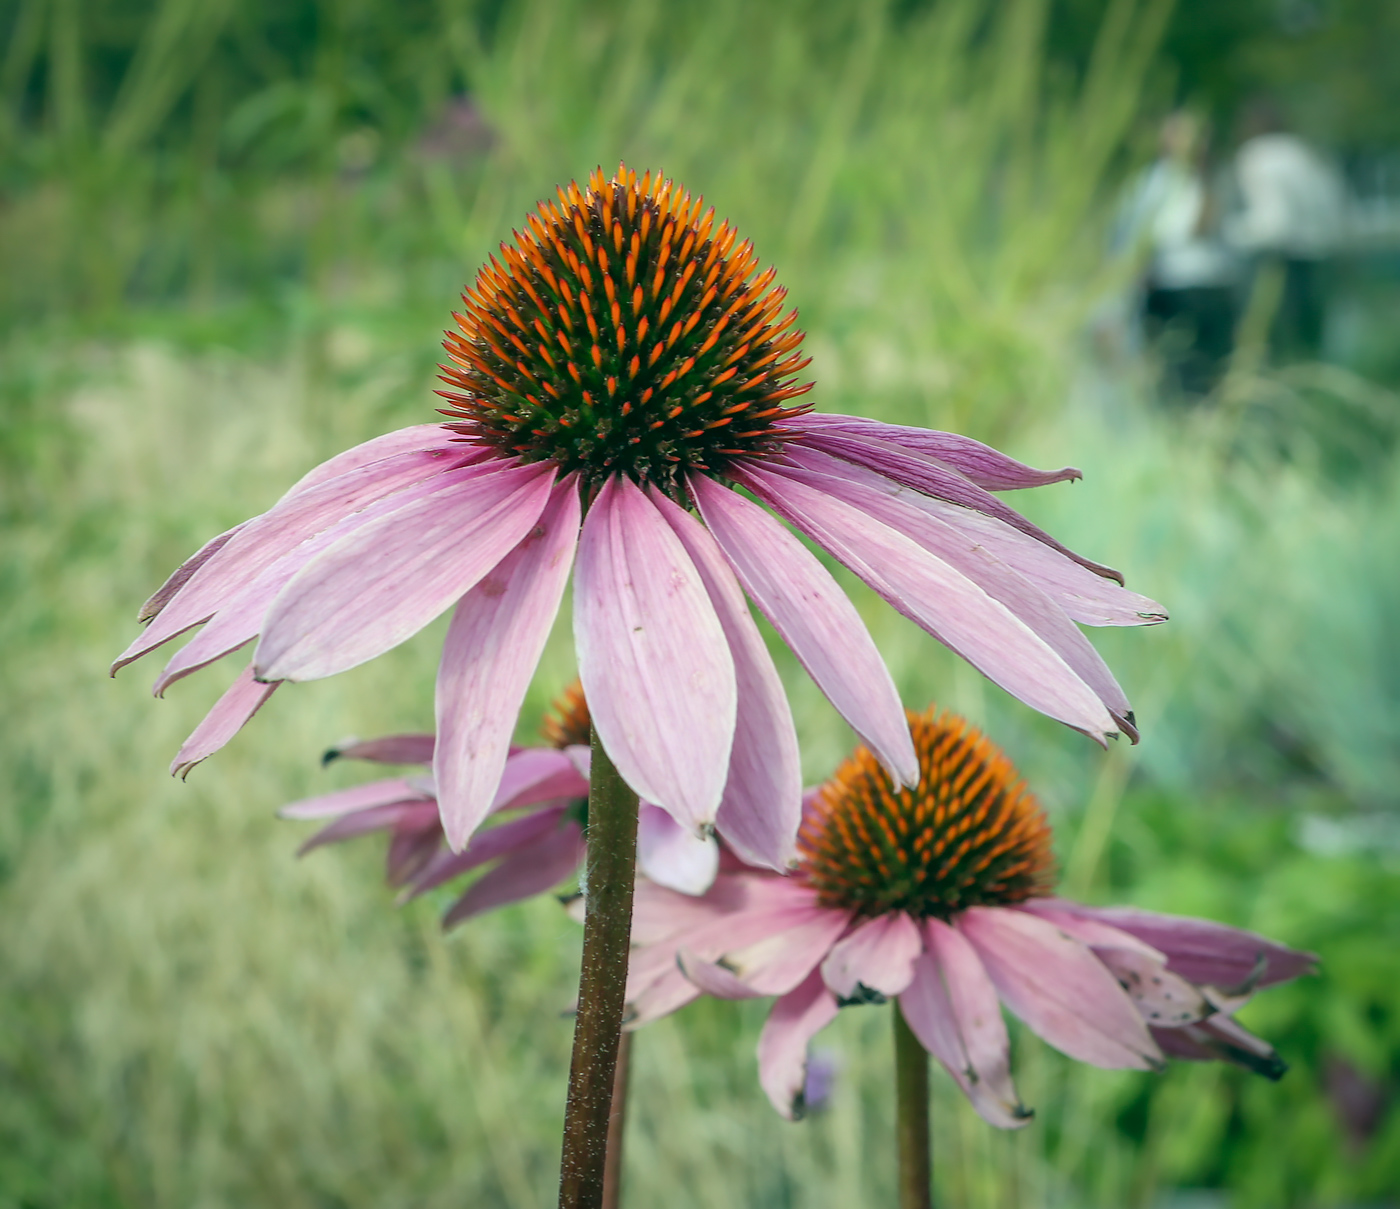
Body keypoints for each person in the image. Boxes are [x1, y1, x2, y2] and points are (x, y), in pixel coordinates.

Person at [1118, 110, 1241, 396]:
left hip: (1215, 286)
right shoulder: (1153, 183)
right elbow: (1148, 238)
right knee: (1176, 369)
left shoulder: (1219, 179)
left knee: (1215, 371)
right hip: (1173, 286)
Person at [1225, 98, 1348, 361]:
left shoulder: (1256, 155)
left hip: (1280, 259)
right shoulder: (1306, 153)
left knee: (1274, 337)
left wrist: (1234, 234)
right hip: (1319, 255)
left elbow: (1274, 222)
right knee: (1311, 338)